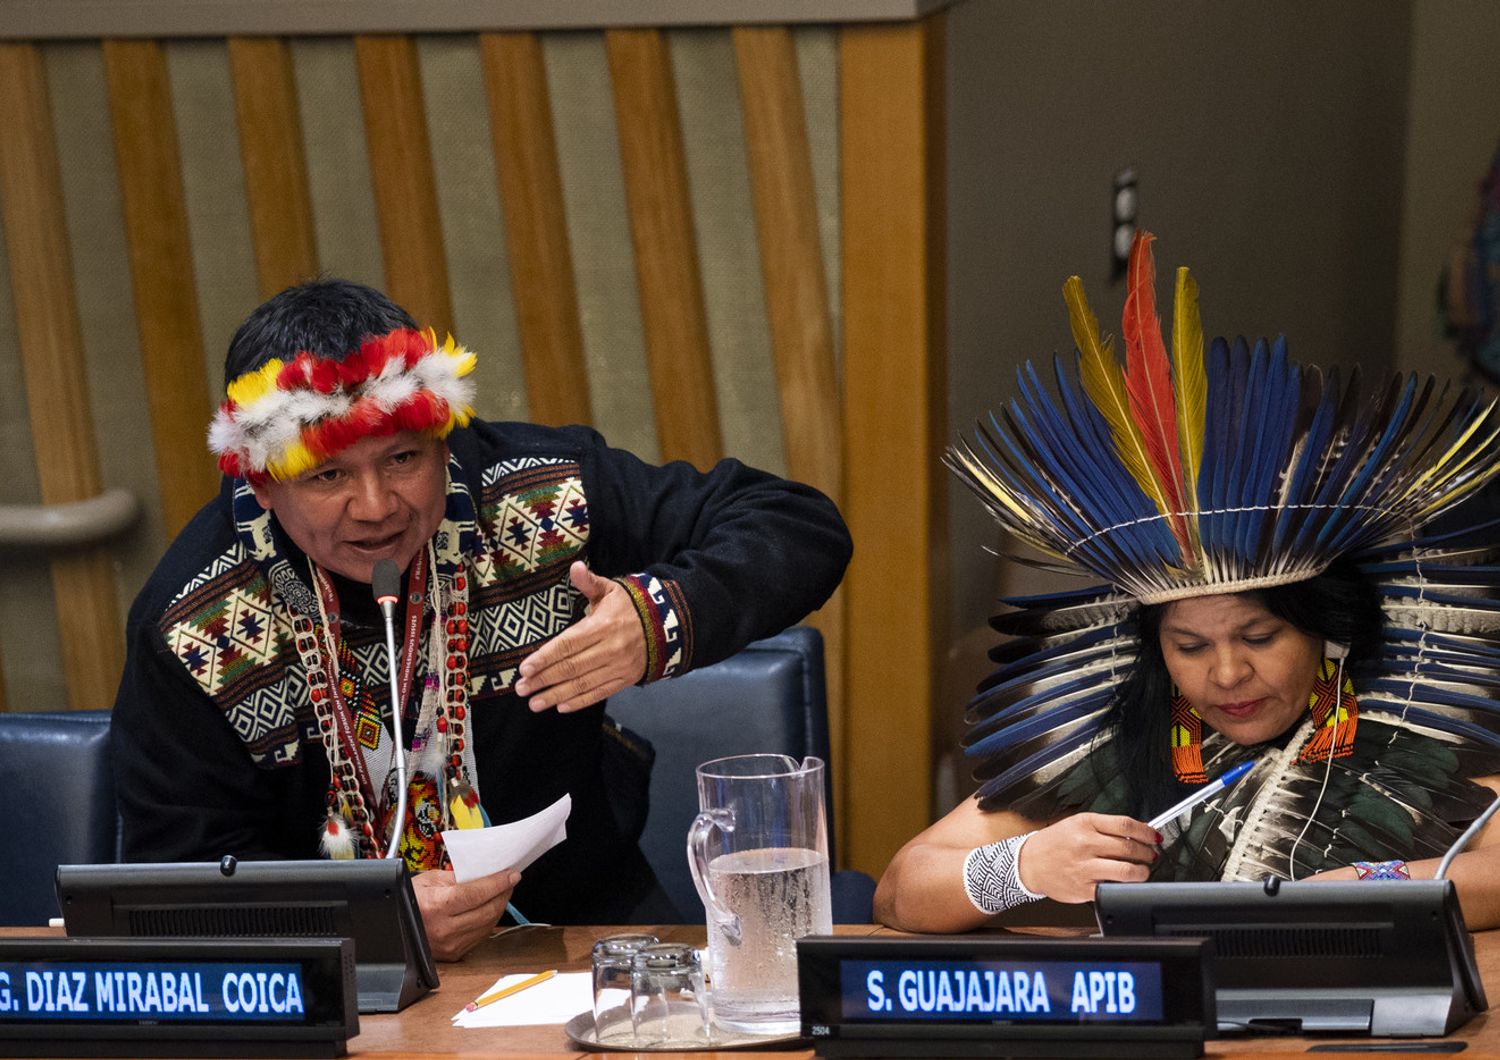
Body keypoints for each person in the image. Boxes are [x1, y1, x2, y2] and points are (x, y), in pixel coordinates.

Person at [112, 279, 852, 959]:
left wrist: (655, 613)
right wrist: (371, 920)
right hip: (335, 969)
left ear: (443, 439)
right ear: (263, 484)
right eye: (329, 475)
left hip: (585, 918)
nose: (376, 507)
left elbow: (798, 524)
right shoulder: (191, 621)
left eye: (404, 459)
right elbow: (172, 893)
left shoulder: (541, 491)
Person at [876, 232, 1500, 933]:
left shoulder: (1406, 726)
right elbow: (901, 890)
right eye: (1190, 646)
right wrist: (1022, 864)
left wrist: (1373, 881)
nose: (1228, 673)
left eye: (1259, 635)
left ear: (1326, 628)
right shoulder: (1121, 745)